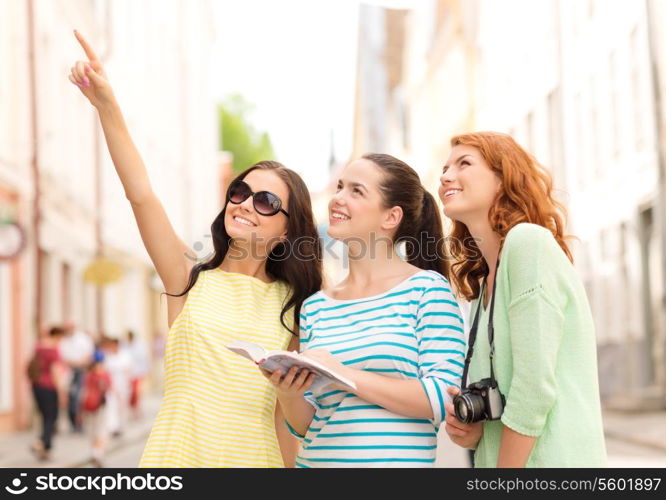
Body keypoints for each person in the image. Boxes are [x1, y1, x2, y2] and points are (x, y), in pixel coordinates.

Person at [68, 30, 322, 467]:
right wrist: (108, 107)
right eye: (240, 191)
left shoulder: (297, 306)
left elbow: (288, 419)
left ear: (287, 231)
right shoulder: (188, 277)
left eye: (266, 201)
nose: (244, 204)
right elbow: (141, 194)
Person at [264, 154, 466, 468]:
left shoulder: (427, 290)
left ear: (391, 217)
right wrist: (288, 393)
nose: (338, 199)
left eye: (356, 191)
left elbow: (442, 396)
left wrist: (343, 374)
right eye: (340, 187)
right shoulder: (316, 307)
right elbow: (307, 426)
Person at [439, 131, 606, 467]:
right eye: (444, 168)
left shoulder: (528, 244)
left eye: (464, 163)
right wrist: (473, 433)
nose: (445, 176)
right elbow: (504, 403)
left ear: (503, 180)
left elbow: (533, 391)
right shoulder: (483, 286)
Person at [28, 326, 66, 461]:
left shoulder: (38, 347)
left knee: (45, 417)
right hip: (49, 387)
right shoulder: (53, 350)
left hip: (36, 386)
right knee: (51, 418)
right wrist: (61, 392)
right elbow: (55, 371)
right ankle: (40, 442)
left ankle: (46, 451)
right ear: (57, 336)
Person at [59, 320, 94, 432]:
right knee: (69, 397)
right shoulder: (63, 341)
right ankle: (72, 422)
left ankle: (79, 423)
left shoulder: (83, 339)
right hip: (67, 371)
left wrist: (80, 363)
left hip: (81, 371)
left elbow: (89, 355)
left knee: (79, 397)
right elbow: (60, 357)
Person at [81, 348, 112, 467]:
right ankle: (97, 454)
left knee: (92, 430)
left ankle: (94, 452)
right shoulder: (104, 375)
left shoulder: (88, 375)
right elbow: (108, 389)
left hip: (88, 406)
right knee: (101, 430)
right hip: (101, 405)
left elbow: (84, 392)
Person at [125, 330, 149, 419]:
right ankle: (132, 410)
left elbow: (144, 359)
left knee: (136, 392)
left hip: (138, 373)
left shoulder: (139, 347)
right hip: (129, 374)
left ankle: (137, 410)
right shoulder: (126, 346)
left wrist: (145, 372)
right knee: (130, 393)